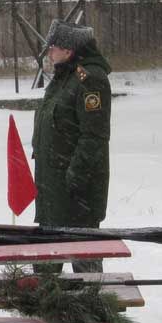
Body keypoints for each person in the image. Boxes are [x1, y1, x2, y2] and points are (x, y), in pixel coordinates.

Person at [31, 19, 112, 273]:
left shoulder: (89, 80)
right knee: (45, 266)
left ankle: (90, 312)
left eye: (52, 47)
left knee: (85, 267)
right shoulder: (64, 77)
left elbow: (94, 136)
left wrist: (73, 178)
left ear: (68, 50)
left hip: (77, 196)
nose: (49, 52)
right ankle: (46, 311)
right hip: (52, 190)